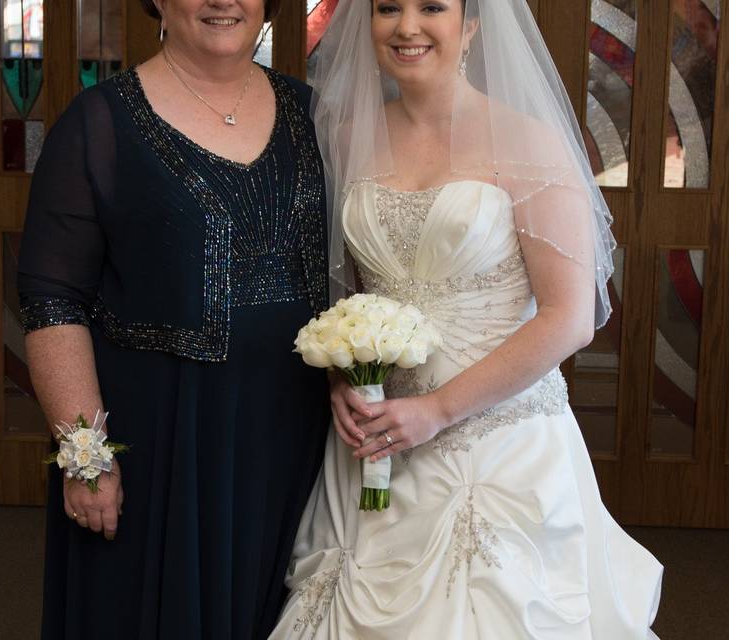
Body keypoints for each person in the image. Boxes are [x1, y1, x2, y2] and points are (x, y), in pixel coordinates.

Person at [271, 0, 663, 637]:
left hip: (496, 440)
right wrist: (341, 379)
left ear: (472, 27)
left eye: (432, 7)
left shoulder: (528, 143)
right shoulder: (346, 137)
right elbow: (359, 300)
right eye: (387, 8)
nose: (407, 26)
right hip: (379, 440)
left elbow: (568, 319)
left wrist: (440, 410)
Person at [18, 0, 330, 637]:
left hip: (292, 435)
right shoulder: (98, 123)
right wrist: (87, 458)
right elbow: (53, 302)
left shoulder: (313, 113)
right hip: (162, 445)